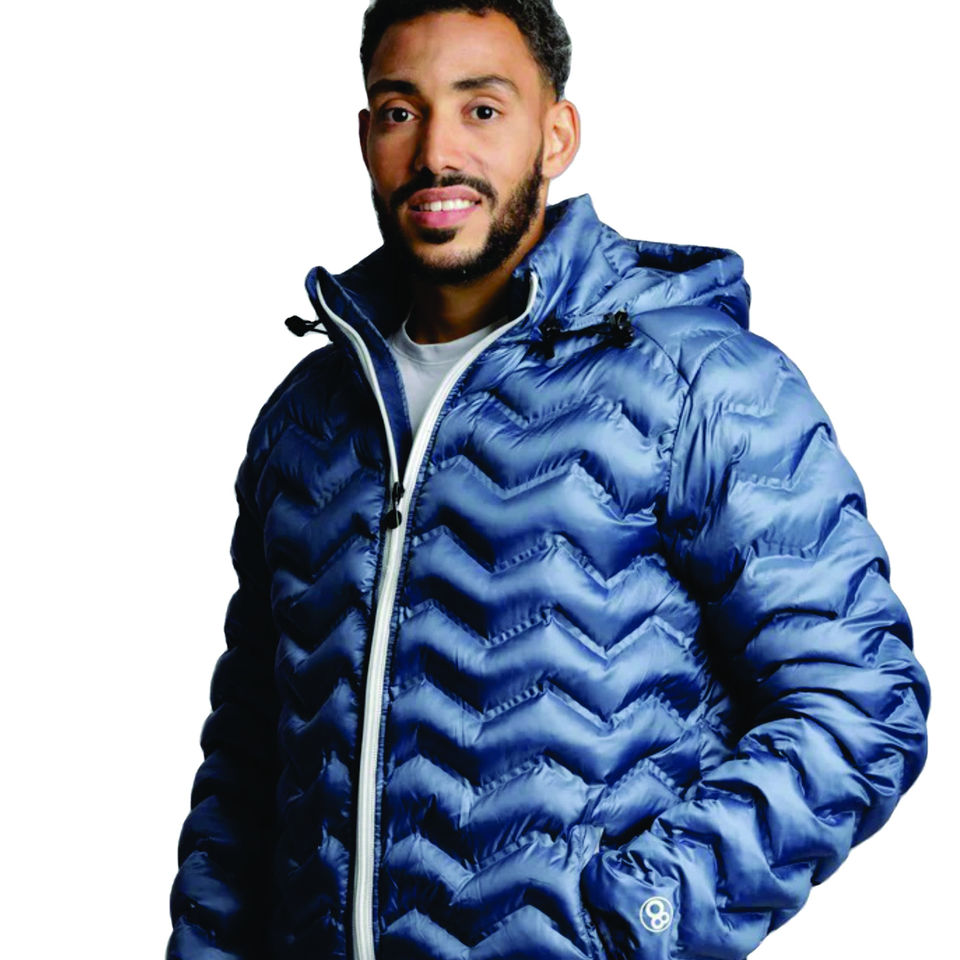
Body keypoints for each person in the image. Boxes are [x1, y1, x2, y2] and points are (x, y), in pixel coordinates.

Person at [165, 2, 931, 958]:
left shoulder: (696, 382)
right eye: (401, 111)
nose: (437, 152)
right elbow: (249, 759)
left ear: (556, 134)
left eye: (482, 109)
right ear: (366, 137)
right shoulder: (307, 420)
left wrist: (636, 915)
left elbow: (862, 705)